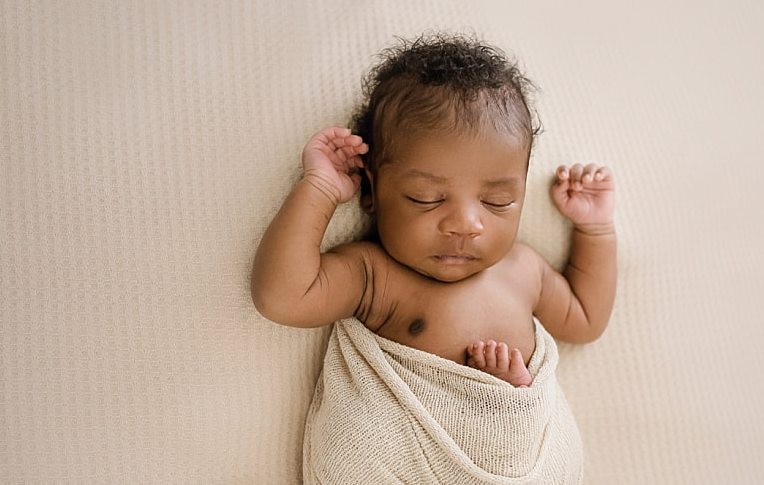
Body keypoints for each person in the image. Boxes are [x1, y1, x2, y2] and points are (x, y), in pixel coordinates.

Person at [251, 34, 616, 386]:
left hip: (513, 444)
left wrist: (595, 230)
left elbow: (586, 320)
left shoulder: (525, 271)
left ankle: (501, 403)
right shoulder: (374, 276)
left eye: (497, 201)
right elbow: (281, 298)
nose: (466, 224)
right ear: (371, 191)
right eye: (426, 198)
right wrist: (320, 189)